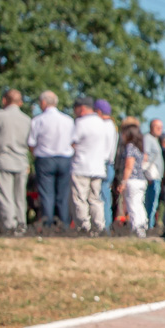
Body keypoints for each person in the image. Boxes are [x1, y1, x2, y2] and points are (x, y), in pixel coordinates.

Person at [0, 89, 31, 234]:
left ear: (4, 100)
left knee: (4, 195)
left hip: (2, 160)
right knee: (19, 197)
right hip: (21, 162)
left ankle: (10, 226)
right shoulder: (27, 119)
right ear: (20, 102)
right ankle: (21, 226)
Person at [28, 90, 75, 229]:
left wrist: (35, 154)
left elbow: (31, 143)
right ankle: (64, 223)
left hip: (45, 158)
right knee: (63, 194)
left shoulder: (38, 120)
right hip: (65, 158)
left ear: (43, 102)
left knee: (46, 194)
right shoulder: (68, 120)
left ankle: (47, 223)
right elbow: (73, 141)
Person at [69, 96, 109, 235]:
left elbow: (72, 142)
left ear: (82, 109)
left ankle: (83, 227)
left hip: (81, 166)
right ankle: (99, 226)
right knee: (95, 199)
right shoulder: (102, 123)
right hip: (98, 167)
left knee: (80, 199)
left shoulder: (81, 123)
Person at [118, 122, 148, 237]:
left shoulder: (130, 147)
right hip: (141, 179)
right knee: (139, 203)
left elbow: (129, 166)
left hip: (133, 180)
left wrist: (124, 181)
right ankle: (143, 225)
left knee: (132, 204)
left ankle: (136, 228)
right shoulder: (140, 148)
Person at [93, 100, 118, 229]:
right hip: (109, 164)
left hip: (102, 164)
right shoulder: (112, 126)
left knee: (100, 197)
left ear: (98, 111)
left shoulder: (103, 126)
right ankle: (107, 225)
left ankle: (104, 227)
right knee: (106, 196)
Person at [142, 119, 165, 231]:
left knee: (153, 202)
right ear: (151, 127)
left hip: (157, 176)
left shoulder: (155, 140)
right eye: (157, 126)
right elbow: (145, 156)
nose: (159, 129)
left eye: (161, 127)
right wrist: (146, 174)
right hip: (152, 176)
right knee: (151, 202)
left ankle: (150, 224)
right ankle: (148, 226)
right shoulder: (148, 138)